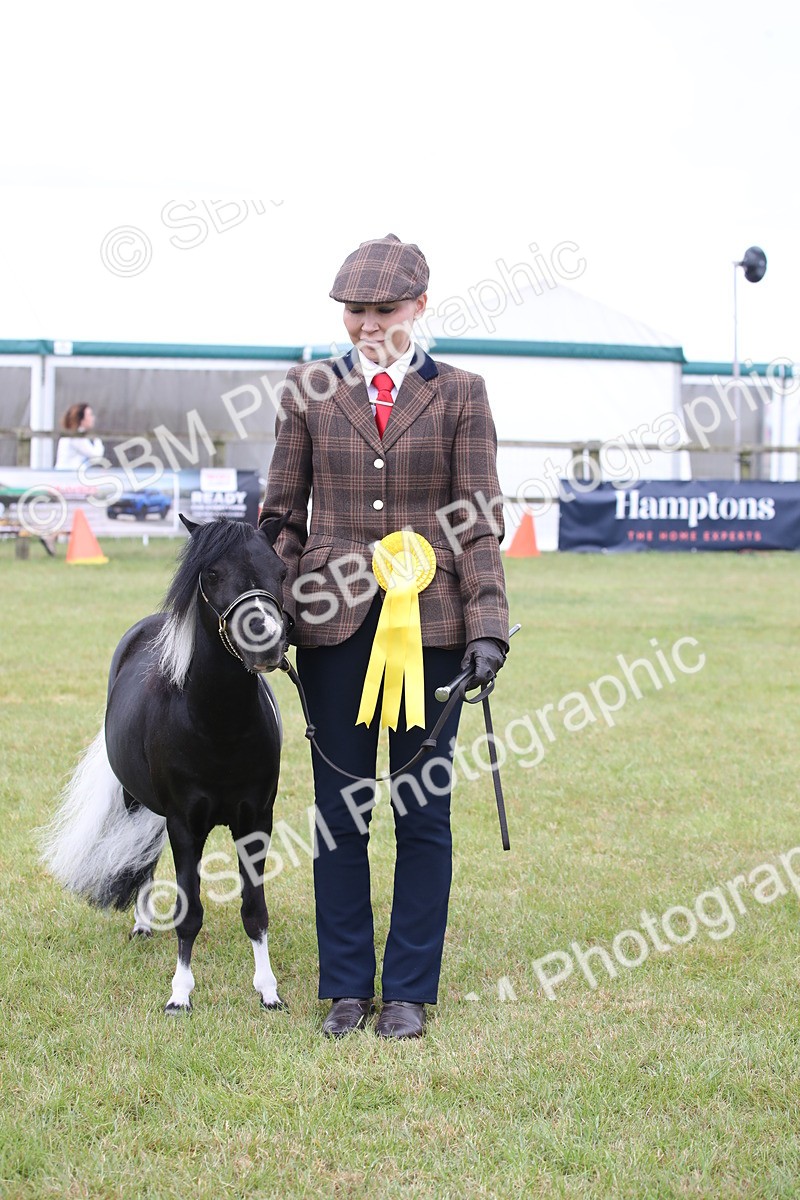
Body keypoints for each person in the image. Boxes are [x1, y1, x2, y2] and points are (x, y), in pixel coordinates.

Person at [260, 234, 509, 1039]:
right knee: (340, 812)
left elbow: (479, 522)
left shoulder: (462, 394)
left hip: (431, 632)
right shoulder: (306, 389)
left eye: (384, 309)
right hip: (329, 628)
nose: (368, 324)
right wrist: (271, 610)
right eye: (355, 311)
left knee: (423, 814)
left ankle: (407, 990)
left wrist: (488, 628)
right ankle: (345, 988)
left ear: (420, 306)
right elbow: (280, 518)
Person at [54, 404, 104, 470]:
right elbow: (96, 456)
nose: (93, 418)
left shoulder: (76, 434)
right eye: (90, 415)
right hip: (67, 474)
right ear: (81, 419)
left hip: (69, 474)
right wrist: (97, 439)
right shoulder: (76, 436)